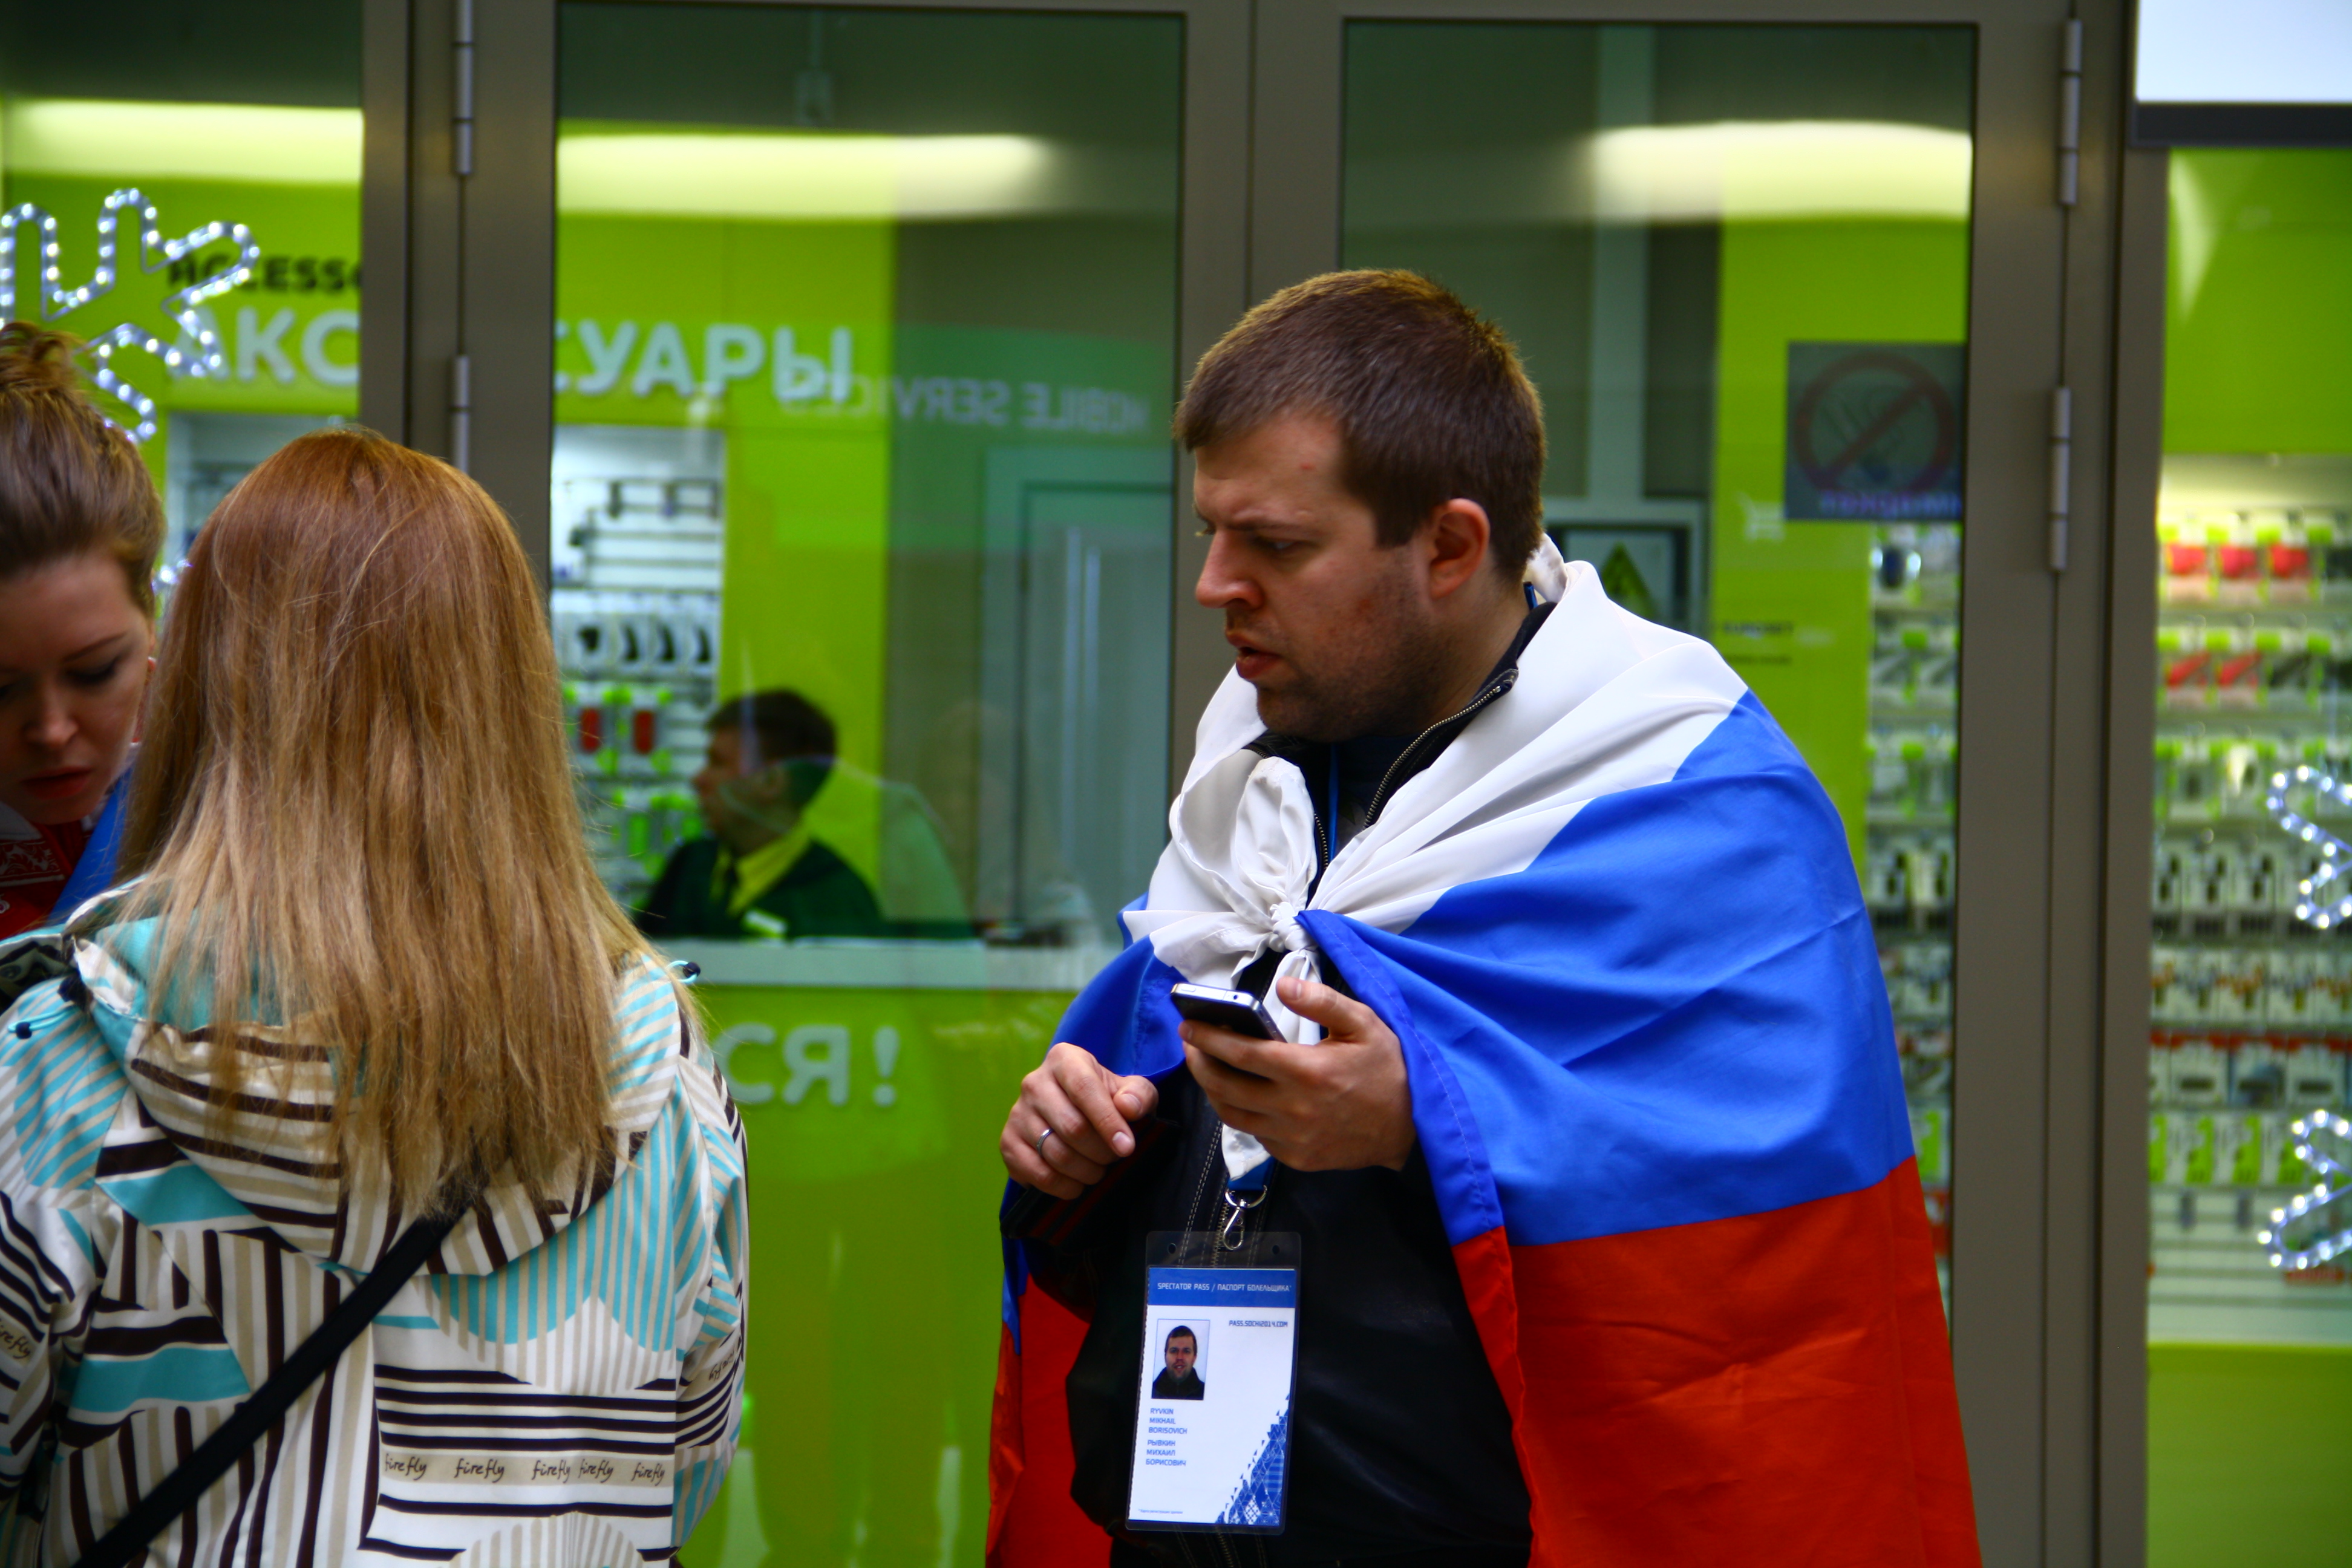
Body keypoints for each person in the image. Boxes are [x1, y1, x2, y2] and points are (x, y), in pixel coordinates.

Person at [990, 273, 1976, 1567]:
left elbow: (1762, 1219)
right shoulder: (1255, 764)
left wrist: (1421, 1124)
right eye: (1210, 531)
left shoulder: (1691, 791)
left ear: (1451, 547)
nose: (1214, 583)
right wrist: (1092, 1140)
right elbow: (1175, 1084)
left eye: (1274, 544)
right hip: (1205, 1507)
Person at [0, 429, 748, 1563]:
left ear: (202, 685)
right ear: (511, 694)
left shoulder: (69, 1065)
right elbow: (687, 1462)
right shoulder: (663, 1068)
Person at [0, 324, 159, 938]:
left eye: (94, 672)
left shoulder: (232, 795)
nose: (51, 730)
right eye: (0, 690)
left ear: (150, 620)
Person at [636, 687, 970, 941]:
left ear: (772, 782)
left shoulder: (837, 899)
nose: (698, 780)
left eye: (718, 763)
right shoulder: (691, 866)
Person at [1149, 1327, 1204, 1401]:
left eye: (1186, 1351)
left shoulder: (1207, 1393)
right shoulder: (1148, 1392)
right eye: (1174, 1351)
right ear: (1165, 1356)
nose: (1179, 1357)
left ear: (1194, 1358)